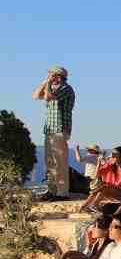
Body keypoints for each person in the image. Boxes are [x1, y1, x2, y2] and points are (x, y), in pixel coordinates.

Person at [32, 66, 75, 201]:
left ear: (58, 76)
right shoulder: (52, 87)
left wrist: (48, 84)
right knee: (50, 162)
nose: (49, 76)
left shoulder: (65, 89)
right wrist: (46, 82)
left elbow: (48, 97)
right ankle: (52, 190)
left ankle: (62, 193)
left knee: (60, 162)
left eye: (51, 74)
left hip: (60, 129)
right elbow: (35, 96)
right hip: (50, 129)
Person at [79, 147, 121, 213]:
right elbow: (97, 175)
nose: (112, 156)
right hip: (111, 191)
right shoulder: (111, 165)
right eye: (112, 154)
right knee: (98, 190)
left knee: (104, 187)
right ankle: (84, 207)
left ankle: (94, 205)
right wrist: (99, 163)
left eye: (115, 154)